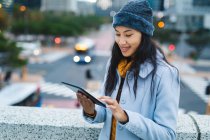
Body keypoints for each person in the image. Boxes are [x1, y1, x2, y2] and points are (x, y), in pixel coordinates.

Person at [76, 0, 180, 140]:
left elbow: (167, 135)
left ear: (144, 35)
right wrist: (91, 111)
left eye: (128, 35)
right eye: (118, 34)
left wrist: (126, 117)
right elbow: (106, 112)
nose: (121, 41)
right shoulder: (114, 63)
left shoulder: (165, 74)